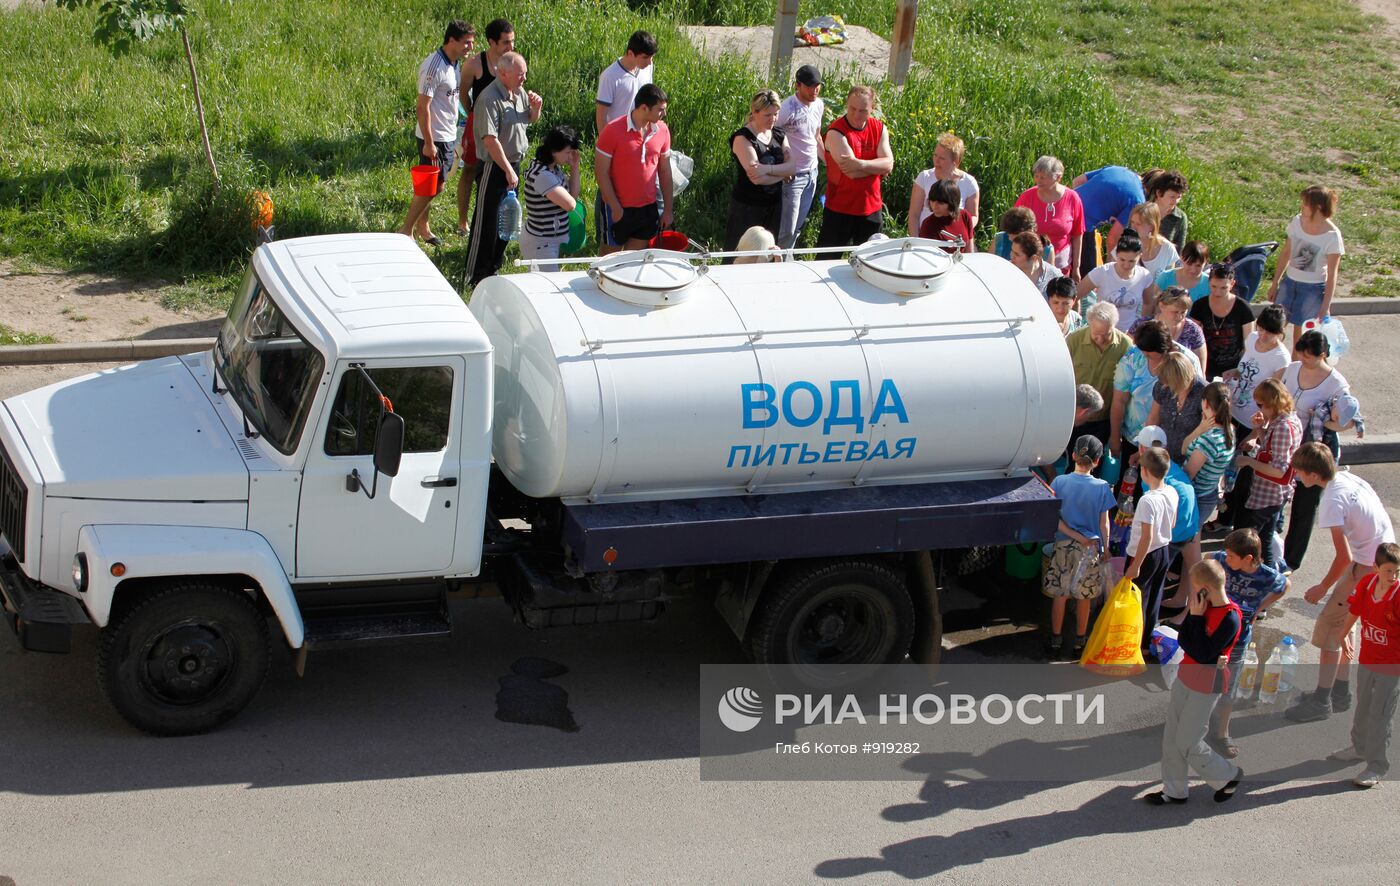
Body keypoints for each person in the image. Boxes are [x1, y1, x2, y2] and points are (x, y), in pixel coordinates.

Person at [1284, 443, 1395, 723]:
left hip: (1366, 565)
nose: (1296, 475)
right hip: (1378, 558)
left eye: (1298, 471)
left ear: (1312, 474)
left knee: (1330, 627)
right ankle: (1340, 692)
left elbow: (1342, 557)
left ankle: (1322, 701)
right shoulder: (1348, 477)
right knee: (1347, 621)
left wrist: (1322, 587)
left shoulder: (1331, 502)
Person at [1145, 558, 1244, 806]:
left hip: (1206, 685)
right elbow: (1185, 641)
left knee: (1187, 741)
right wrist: (1195, 618)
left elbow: (1203, 653)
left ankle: (1228, 775)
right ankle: (1175, 791)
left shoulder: (1230, 617)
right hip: (1186, 676)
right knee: (1172, 738)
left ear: (1206, 587)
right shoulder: (1200, 606)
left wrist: (1197, 619)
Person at [1207, 529, 1289, 760]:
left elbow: (1285, 586)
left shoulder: (1266, 576)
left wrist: (1260, 608)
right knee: (1203, 676)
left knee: (1229, 687)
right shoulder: (1222, 559)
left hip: (1239, 638)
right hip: (1213, 631)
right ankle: (1198, 722)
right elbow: (1208, 560)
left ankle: (1222, 733)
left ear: (1249, 559)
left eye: (1232, 556)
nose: (1227, 557)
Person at [464, 51, 542, 288]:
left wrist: (536, 108)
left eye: (525, 74)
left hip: (513, 165)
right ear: (503, 73)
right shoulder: (489, 99)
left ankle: (493, 268)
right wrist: (507, 170)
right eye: (520, 74)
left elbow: (527, 120)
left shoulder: (518, 93)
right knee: (486, 222)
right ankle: (474, 275)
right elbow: (490, 140)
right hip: (494, 166)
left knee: (506, 222)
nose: (524, 79)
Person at [1277, 330, 1352, 572]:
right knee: (1276, 498)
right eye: (1301, 354)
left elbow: (1347, 422)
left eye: (1308, 356)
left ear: (1323, 355)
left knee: (1304, 508)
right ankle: (1273, 549)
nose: (1303, 359)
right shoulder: (1293, 369)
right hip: (1287, 446)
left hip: (1314, 456)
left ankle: (1290, 560)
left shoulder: (1337, 384)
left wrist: (1321, 418)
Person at [1326, 542, 1400, 788]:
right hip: (1368, 659)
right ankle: (1359, 747)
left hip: (1391, 667)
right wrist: (1343, 635)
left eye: (1397, 572)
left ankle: (1377, 765)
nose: (1393, 576)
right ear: (1376, 567)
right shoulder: (1367, 585)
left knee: (1381, 714)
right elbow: (1355, 611)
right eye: (1388, 571)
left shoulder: (1398, 595)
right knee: (1363, 705)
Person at [398, 21, 475, 247]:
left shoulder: (454, 63)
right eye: (466, 43)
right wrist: (429, 143)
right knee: (435, 186)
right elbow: (423, 106)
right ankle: (405, 230)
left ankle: (424, 228)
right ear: (451, 40)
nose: (469, 47)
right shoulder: (434, 66)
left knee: (430, 184)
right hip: (434, 137)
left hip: (447, 133)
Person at [1215, 305, 1289, 532]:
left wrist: (1257, 434)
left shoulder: (1281, 358)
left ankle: (1234, 523)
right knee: (1228, 467)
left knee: (1242, 476)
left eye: (1271, 332)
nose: (1264, 335)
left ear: (1281, 333)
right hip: (1234, 411)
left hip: (1252, 420)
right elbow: (1244, 368)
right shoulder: (1252, 339)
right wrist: (1233, 373)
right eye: (1262, 329)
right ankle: (1224, 516)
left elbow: (1273, 399)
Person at [1045, 435, 1116, 660]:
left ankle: (1055, 638)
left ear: (1073, 455)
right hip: (1091, 549)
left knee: (1060, 594)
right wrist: (1105, 548)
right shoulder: (1103, 487)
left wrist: (1074, 535)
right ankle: (1080, 639)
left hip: (1063, 546)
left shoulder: (1059, 482)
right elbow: (1104, 524)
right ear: (1097, 461)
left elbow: (1053, 518)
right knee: (1084, 597)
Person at [593, 30, 657, 250]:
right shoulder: (611, 76)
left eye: (651, 58)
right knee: (610, 188)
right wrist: (606, 149)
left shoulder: (646, 70)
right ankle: (607, 235)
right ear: (630, 53)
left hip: (640, 143)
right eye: (644, 58)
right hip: (615, 145)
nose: (649, 63)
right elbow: (601, 114)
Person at [1109, 319, 1202, 467]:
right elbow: (1119, 400)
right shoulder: (1132, 358)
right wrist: (1115, 437)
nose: (1146, 358)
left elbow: (1196, 398)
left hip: (1172, 444)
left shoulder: (1187, 362)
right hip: (1135, 438)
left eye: (1150, 356)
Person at [1233, 379, 1303, 572]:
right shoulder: (1286, 420)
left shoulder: (1282, 427)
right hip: (1272, 493)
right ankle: (1269, 579)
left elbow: (1279, 468)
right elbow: (1272, 450)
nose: (1259, 409)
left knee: (1249, 540)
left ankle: (1265, 578)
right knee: (1263, 540)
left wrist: (1248, 462)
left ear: (1273, 403)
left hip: (1269, 494)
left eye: (1261, 405)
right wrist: (1260, 431)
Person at [595, 84, 674, 254]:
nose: (664, 114)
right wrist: (615, 207)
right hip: (618, 208)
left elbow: (665, 172)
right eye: (660, 110)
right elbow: (601, 172)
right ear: (644, 108)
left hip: (647, 208)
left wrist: (667, 210)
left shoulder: (662, 131)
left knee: (632, 261)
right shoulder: (613, 130)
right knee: (609, 262)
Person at [1267, 185, 1345, 345]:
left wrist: (1325, 307)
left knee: (1301, 338)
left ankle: (1297, 369)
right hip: (1289, 284)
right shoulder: (1297, 222)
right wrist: (1275, 283)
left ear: (1318, 207)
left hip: (1312, 290)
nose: (1301, 206)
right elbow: (1286, 253)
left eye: (1305, 204)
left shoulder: (1332, 236)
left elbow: (1332, 275)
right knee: (1272, 328)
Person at [817, 86, 893, 248]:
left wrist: (861, 164)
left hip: (871, 208)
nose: (857, 115)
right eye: (852, 109)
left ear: (872, 109)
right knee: (827, 260)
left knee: (870, 260)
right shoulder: (836, 131)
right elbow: (851, 172)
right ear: (847, 104)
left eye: (863, 111)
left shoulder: (879, 128)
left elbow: (888, 164)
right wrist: (876, 167)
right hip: (840, 208)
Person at [457, 19, 513, 238]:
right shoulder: (475, 64)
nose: (511, 47)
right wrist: (471, 113)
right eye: (506, 43)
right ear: (492, 42)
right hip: (478, 123)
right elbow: (463, 93)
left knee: (499, 172)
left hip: (504, 125)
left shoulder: (512, 63)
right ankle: (463, 222)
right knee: (470, 170)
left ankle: (495, 221)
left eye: (512, 42)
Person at [723, 90, 793, 255]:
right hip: (748, 208)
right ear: (754, 112)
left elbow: (793, 167)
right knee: (740, 252)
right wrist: (782, 174)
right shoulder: (743, 138)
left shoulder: (779, 134)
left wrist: (767, 169)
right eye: (768, 115)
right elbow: (756, 178)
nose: (773, 119)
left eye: (776, 114)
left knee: (767, 251)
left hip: (774, 205)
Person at [1126, 446, 1178, 647]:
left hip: (1144, 555)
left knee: (1138, 601)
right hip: (1164, 550)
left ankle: (1133, 644)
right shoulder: (1171, 491)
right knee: (1154, 599)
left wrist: (1135, 565)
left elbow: (1146, 537)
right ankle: (1145, 644)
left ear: (1145, 471)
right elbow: (1172, 523)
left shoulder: (1147, 500)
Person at [1066, 302, 1131, 450]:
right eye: (1096, 335)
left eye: (1106, 335)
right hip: (1074, 418)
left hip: (1103, 420)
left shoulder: (1125, 346)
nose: (1100, 340)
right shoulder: (1074, 340)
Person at [518, 126, 582, 271]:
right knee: (545, 287)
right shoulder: (543, 176)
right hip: (541, 243)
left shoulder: (552, 167)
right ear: (554, 151)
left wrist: (574, 167)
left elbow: (573, 196)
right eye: (567, 152)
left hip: (549, 240)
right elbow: (570, 204)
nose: (570, 156)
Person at [776, 65, 825, 249]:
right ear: (798, 85)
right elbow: (771, 136)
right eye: (811, 86)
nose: (815, 90)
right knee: (787, 228)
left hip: (812, 173)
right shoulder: (786, 108)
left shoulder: (819, 105)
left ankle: (787, 259)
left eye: (818, 85)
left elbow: (816, 136)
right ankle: (774, 262)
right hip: (793, 176)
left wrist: (827, 162)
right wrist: (782, 167)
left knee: (798, 226)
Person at [1015, 155, 1085, 278]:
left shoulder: (1072, 198)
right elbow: (1014, 228)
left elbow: (1077, 234)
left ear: (1057, 177)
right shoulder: (1027, 197)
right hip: (1031, 264)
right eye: (1036, 176)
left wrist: (1076, 267)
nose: (1038, 180)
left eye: (1043, 177)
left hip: (1061, 265)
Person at [1072, 164, 1144, 278]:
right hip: (1084, 226)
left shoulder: (1117, 169)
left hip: (1066, 212)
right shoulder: (1137, 199)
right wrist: (1109, 271)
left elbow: (1077, 181)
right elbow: (1112, 239)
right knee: (1089, 278)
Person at [1182, 382, 1235, 529]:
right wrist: (1200, 428)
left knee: (1181, 545)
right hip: (1208, 493)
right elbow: (1184, 449)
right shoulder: (1229, 429)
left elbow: (1187, 473)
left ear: (1205, 403)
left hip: (1196, 499)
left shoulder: (1209, 440)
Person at [1076, 232, 1155, 330]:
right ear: (1116, 254)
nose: (1126, 265)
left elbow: (1149, 303)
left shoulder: (1144, 275)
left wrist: (1142, 327)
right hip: (1101, 332)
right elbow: (1075, 295)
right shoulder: (1102, 272)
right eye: (1122, 260)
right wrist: (1076, 318)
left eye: (1132, 261)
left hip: (1128, 334)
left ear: (1140, 256)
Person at [1189, 264, 1256, 380]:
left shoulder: (1243, 308)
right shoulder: (1200, 305)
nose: (1218, 292)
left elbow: (1249, 344)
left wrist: (1240, 369)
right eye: (1214, 286)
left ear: (1232, 284)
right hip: (1206, 364)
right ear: (1208, 283)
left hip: (1233, 367)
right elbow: (1193, 338)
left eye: (1223, 288)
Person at [907, 132, 980, 236]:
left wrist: (960, 229)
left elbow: (973, 216)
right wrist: (915, 241)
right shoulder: (924, 177)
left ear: (956, 161)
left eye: (942, 158)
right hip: (926, 237)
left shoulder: (969, 182)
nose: (936, 161)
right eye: (935, 155)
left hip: (955, 239)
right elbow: (914, 214)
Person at [1144, 351, 1206, 463]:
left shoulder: (1204, 394)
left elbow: (1207, 432)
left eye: (1170, 382)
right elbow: (1153, 419)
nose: (1166, 385)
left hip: (1189, 460)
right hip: (1161, 456)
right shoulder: (1162, 386)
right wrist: (1145, 446)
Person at [1132, 288, 1206, 369]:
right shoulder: (1141, 325)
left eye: (1183, 312)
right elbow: (1128, 354)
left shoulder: (1193, 330)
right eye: (1175, 312)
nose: (1179, 316)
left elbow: (1200, 364)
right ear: (1161, 306)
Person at [918, 179, 975, 251]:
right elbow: (926, 255)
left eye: (940, 202)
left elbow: (970, 249)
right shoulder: (928, 225)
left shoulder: (965, 216)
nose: (934, 205)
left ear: (952, 202)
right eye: (932, 200)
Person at [1142, 169, 1190, 252]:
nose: (1175, 201)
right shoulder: (1142, 211)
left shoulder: (1181, 218)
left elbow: (1179, 250)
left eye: (1179, 197)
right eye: (1172, 196)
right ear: (1159, 193)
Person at [1129, 202, 1181, 278]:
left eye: (1139, 224)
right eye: (1132, 222)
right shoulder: (1124, 243)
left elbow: (1173, 278)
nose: (1133, 227)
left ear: (1151, 225)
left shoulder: (1167, 248)